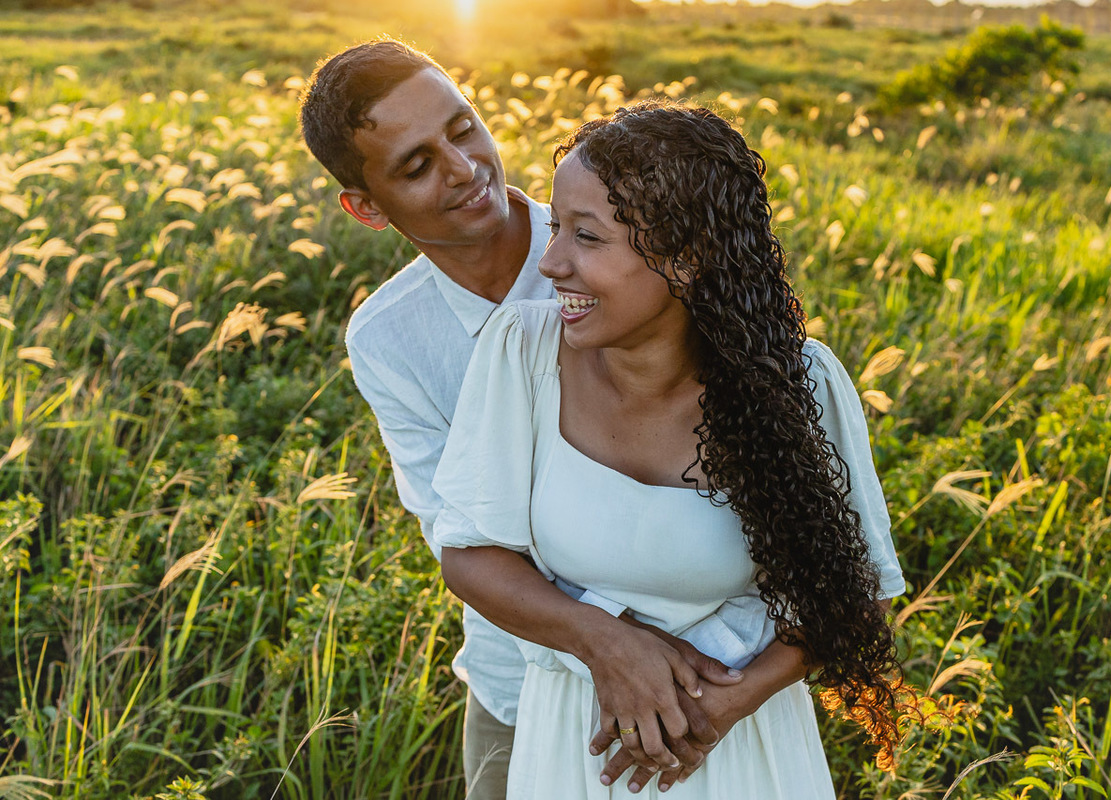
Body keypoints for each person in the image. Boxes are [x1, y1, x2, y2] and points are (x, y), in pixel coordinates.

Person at [298, 38, 746, 799]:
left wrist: (674, 663)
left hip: (706, 679)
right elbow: (460, 533)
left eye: (463, 128)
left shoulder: (639, 247)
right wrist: (608, 641)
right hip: (519, 686)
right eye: (417, 165)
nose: (464, 168)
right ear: (367, 208)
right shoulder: (389, 339)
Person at [431, 100, 907, 797]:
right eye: (556, 227)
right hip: (572, 743)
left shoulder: (796, 383)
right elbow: (471, 554)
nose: (552, 262)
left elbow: (855, 594)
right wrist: (605, 643)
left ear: (686, 258)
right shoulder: (522, 351)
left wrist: (724, 707)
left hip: (738, 751)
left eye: (587, 236)